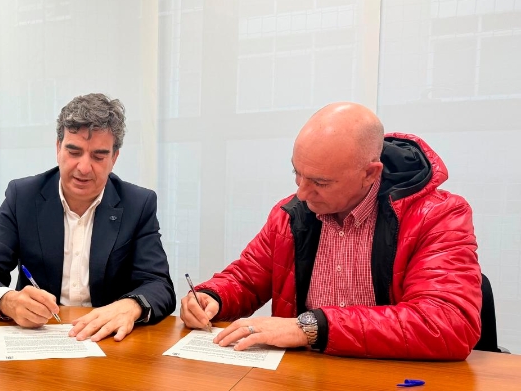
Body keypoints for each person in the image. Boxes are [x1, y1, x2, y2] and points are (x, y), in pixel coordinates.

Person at [181, 102, 481, 360]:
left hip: (394, 387)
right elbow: (248, 277)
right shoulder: (292, 214)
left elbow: (447, 323)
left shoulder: (438, 215)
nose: (301, 193)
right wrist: (212, 296)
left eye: (320, 182)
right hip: (306, 380)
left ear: (369, 173)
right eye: (297, 173)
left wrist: (311, 327)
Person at [0, 94, 175, 341]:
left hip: (107, 342)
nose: (84, 168)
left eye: (98, 156)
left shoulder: (138, 204)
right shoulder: (23, 196)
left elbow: (159, 285)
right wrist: (8, 301)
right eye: (74, 152)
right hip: (39, 340)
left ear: (114, 158)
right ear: (58, 148)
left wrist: (132, 305)